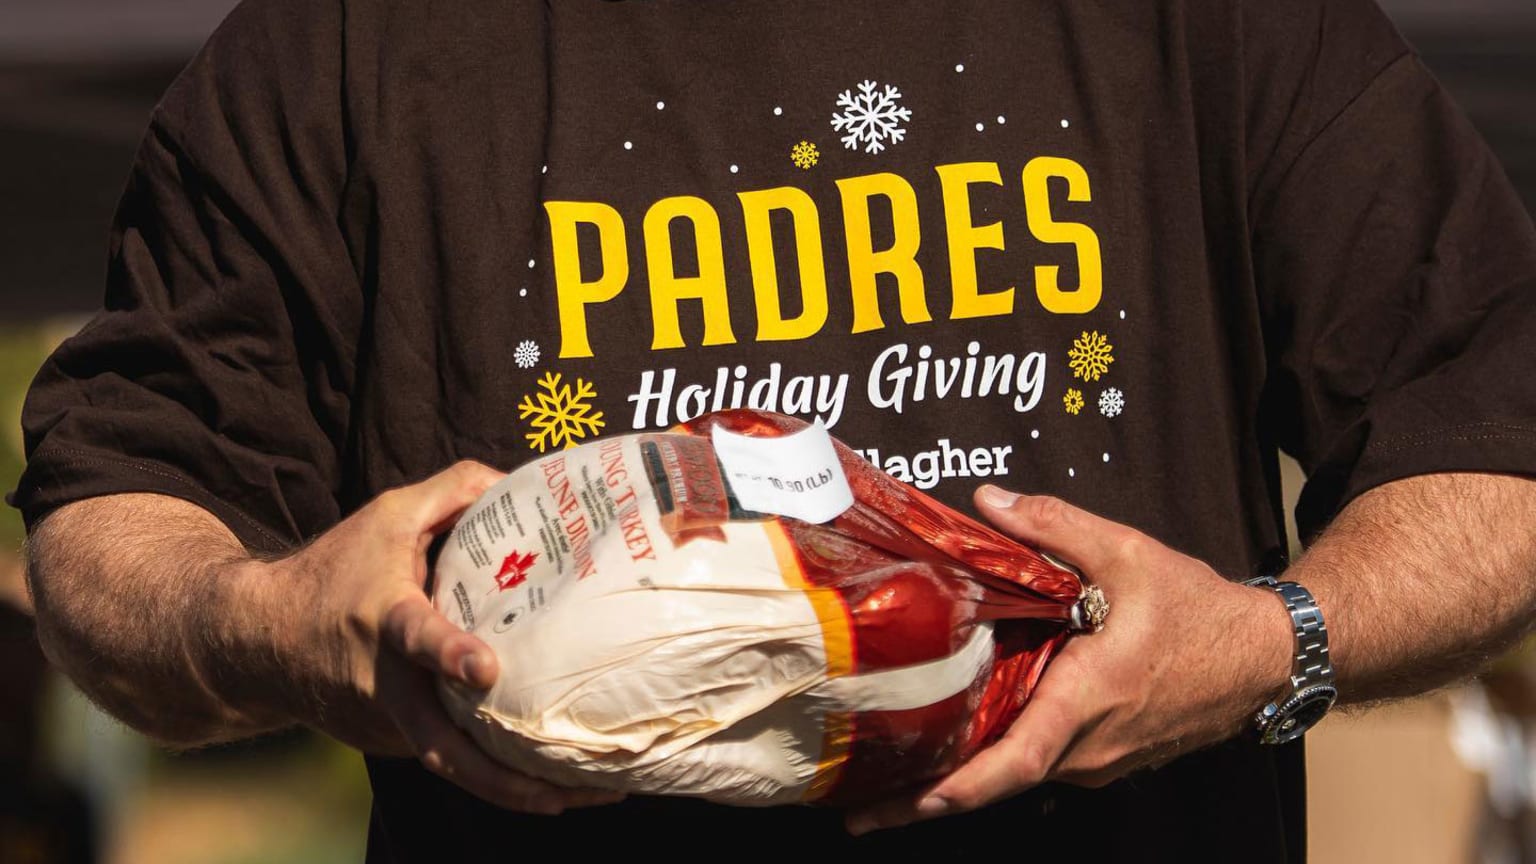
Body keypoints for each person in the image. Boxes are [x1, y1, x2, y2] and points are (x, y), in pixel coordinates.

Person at [10, 0, 1536, 859]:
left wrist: (1272, 645)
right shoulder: (348, 49)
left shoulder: (1213, 27)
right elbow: (116, 503)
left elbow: (1495, 438)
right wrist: (268, 621)